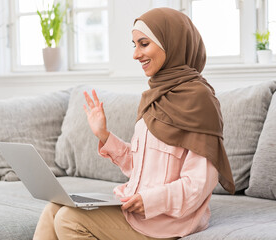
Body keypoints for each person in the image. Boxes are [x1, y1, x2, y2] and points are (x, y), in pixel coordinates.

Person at [33, 7, 235, 240]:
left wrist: (150, 200)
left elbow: (198, 185)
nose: (136, 54)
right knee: (53, 209)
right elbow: (142, 168)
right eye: (134, 45)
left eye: (144, 44)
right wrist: (104, 136)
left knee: (69, 219)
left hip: (167, 221)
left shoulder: (200, 101)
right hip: (135, 207)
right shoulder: (154, 97)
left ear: (172, 44)